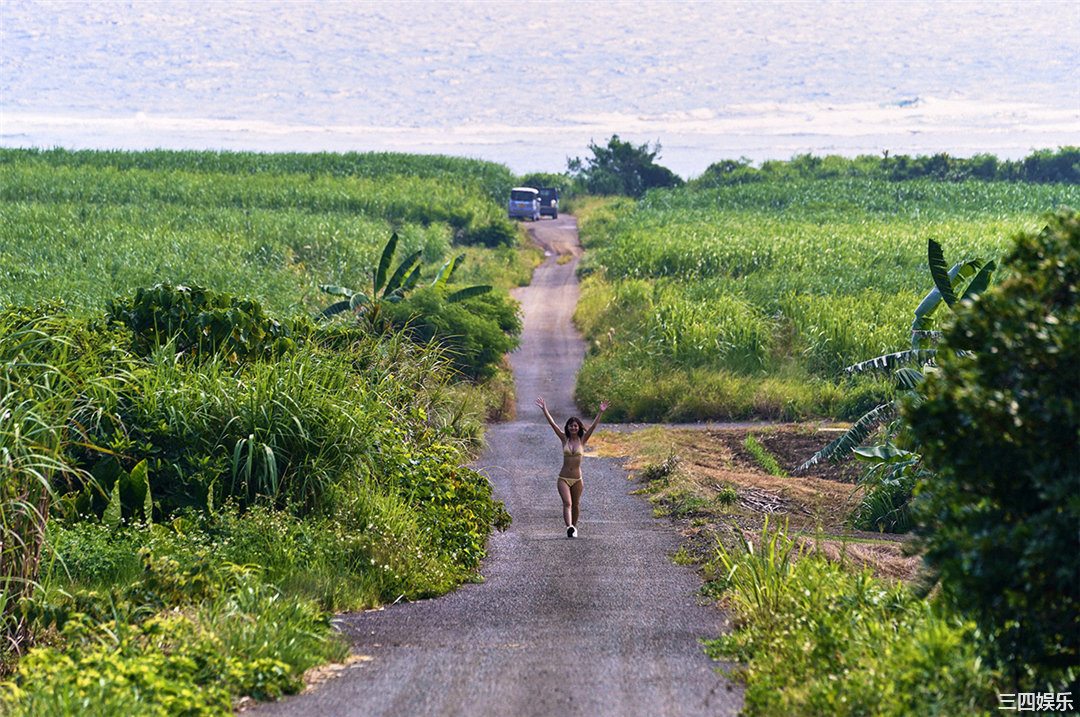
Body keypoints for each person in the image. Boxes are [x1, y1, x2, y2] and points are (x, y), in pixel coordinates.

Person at [535, 396, 610, 538]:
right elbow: (553, 425)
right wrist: (545, 409)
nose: (573, 428)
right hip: (563, 477)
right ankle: (569, 526)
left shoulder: (583, 440)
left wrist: (600, 412)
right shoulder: (564, 438)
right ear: (568, 428)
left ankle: (574, 528)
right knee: (567, 503)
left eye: (575, 426)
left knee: (576, 504)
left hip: (577, 479)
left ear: (578, 427)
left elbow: (593, 426)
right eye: (571, 426)